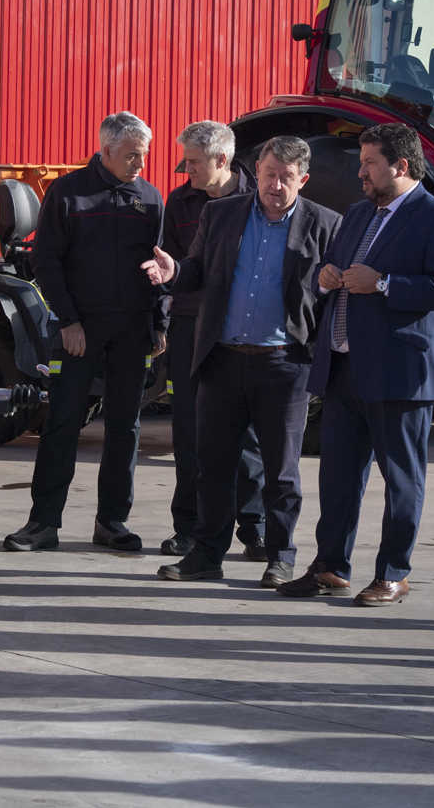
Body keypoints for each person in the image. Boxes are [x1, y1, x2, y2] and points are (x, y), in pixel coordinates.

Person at [277, 123, 434, 606]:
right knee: (337, 477)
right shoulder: (359, 214)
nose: (359, 172)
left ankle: (393, 573)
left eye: (369, 163)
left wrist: (383, 284)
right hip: (346, 368)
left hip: (400, 373)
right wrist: (326, 277)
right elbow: (340, 273)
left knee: (401, 478)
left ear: (399, 167)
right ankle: (330, 567)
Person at [140, 135, 342, 587]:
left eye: (286, 178)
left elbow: (330, 297)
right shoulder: (221, 214)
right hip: (223, 360)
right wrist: (174, 273)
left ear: (302, 180)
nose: (275, 185)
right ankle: (207, 554)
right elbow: (197, 269)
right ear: (258, 173)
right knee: (213, 465)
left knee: (281, 470)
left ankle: (280, 555)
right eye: (269, 175)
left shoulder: (325, 225)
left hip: (285, 365)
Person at [4, 112, 166, 554]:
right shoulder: (69, 193)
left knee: (124, 428)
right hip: (80, 330)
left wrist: (159, 324)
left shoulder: (149, 199)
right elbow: (46, 261)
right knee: (62, 423)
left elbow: (160, 268)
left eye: (144, 156)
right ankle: (42, 523)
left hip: (132, 332)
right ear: (107, 150)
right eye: (132, 155)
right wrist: (69, 321)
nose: (140, 164)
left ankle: (112, 522)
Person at [159, 120, 267, 561]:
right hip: (189, 329)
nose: (186, 170)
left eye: (195, 162)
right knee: (189, 431)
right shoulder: (180, 201)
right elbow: (170, 267)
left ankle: (255, 529)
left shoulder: (259, 202)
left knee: (250, 437)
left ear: (222, 160)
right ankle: (189, 527)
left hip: (239, 331)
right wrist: (162, 323)